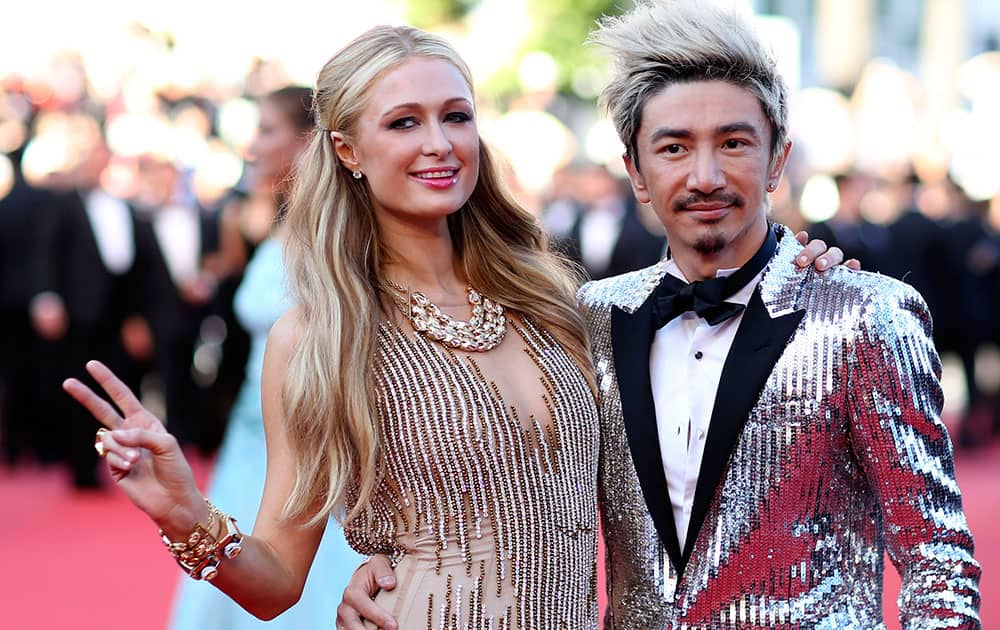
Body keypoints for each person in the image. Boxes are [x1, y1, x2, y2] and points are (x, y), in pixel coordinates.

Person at [65, 24, 843, 630]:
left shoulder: (558, 302)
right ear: (348, 150)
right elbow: (275, 584)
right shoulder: (322, 337)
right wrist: (186, 514)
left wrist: (797, 274)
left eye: (456, 117)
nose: (439, 144)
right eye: (404, 122)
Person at [339, 2, 981, 628]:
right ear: (636, 171)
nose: (704, 176)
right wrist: (394, 562)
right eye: (673, 148)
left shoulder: (866, 316)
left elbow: (939, 562)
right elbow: (512, 485)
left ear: (778, 158)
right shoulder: (586, 318)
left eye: (733, 143)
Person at [169, 86, 364, 629]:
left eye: (267, 131)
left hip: (310, 427)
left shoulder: (338, 238)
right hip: (250, 427)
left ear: (310, 142)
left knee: (301, 559)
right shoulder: (273, 222)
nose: (253, 145)